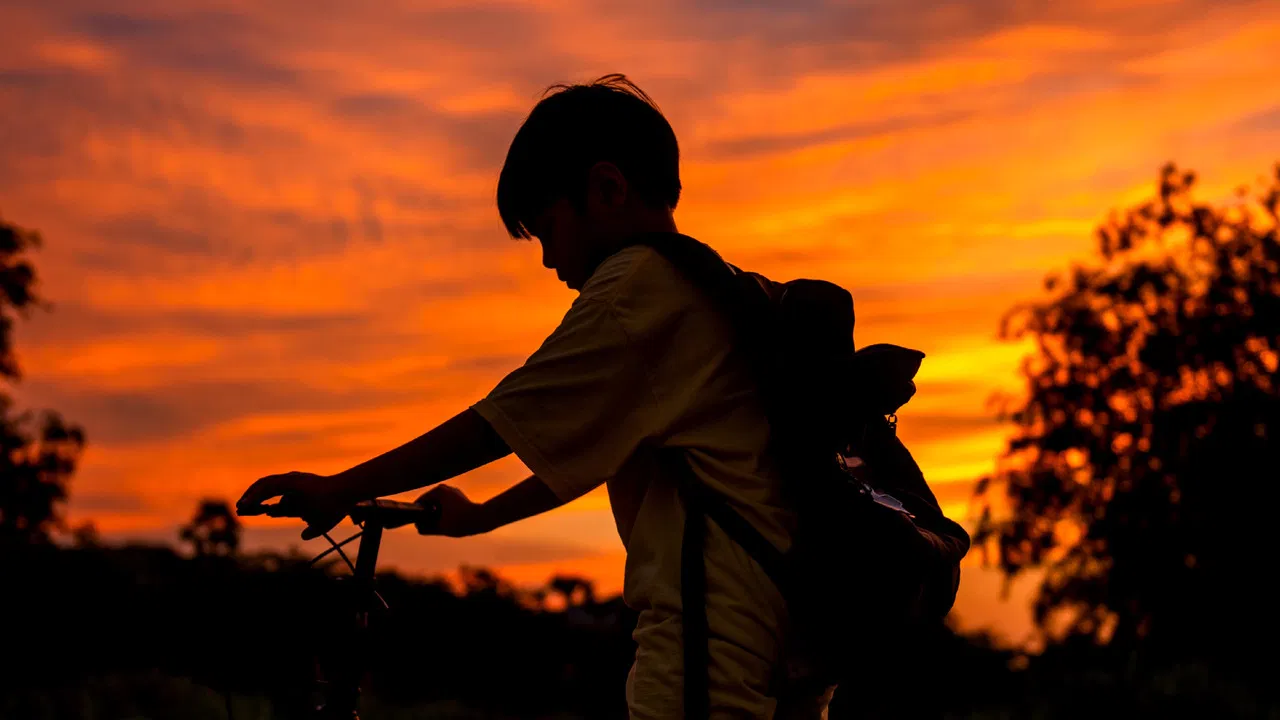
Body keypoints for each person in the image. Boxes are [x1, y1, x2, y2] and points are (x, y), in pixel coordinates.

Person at [237, 73, 837, 718]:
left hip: (708, 648)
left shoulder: (639, 285)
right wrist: (481, 518)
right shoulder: (721, 291)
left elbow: (502, 422)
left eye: (547, 227)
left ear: (606, 190)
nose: (549, 260)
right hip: (788, 640)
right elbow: (589, 448)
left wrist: (340, 487)